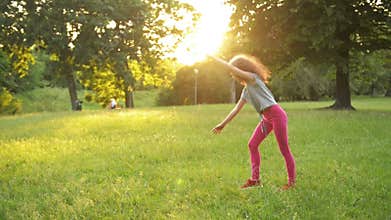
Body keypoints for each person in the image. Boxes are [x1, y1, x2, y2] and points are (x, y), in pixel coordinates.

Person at [210, 54, 296, 190]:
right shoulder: (246, 90)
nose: (233, 75)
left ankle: (291, 183)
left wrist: (213, 57)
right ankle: (255, 180)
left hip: (277, 115)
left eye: (234, 72)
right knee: (252, 144)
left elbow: (230, 67)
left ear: (241, 70)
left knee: (284, 149)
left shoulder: (253, 78)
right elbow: (236, 110)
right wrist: (222, 124)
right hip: (266, 118)